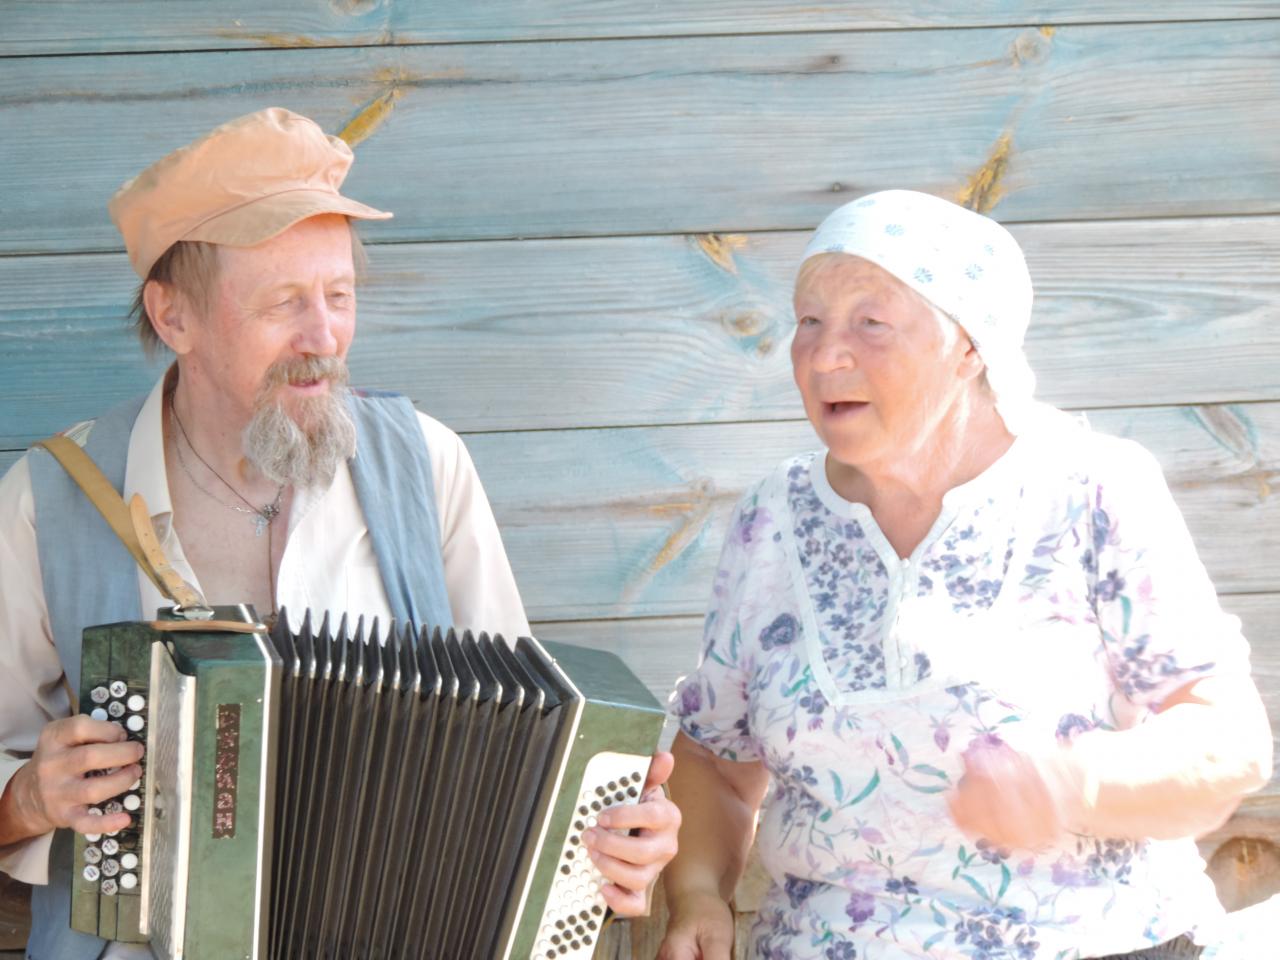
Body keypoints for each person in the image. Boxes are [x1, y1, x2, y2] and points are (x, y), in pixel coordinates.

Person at [0, 107, 679, 959]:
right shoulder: (49, 502)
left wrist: (618, 841)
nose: (324, 338)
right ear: (174, 318)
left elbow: (537, 760)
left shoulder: (428, 467)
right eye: (283, 303)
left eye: (340, 295)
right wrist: (29, 797)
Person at [658, 190, 1272, 960]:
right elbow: (716, 756)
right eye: (809, 320)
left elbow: (1227, 742)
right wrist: (699, 893)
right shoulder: (772, 518)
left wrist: (1075, 785)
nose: (824, 354)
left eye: (870, 323)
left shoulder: (1089, 489)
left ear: (971, 346)